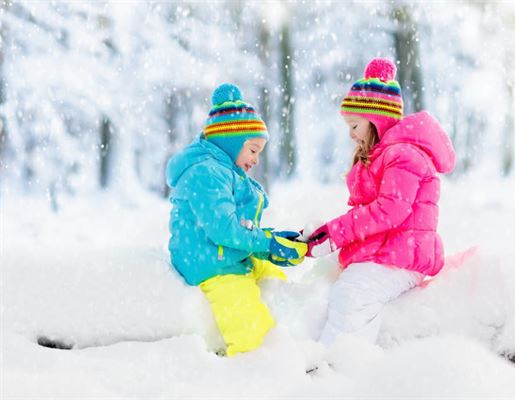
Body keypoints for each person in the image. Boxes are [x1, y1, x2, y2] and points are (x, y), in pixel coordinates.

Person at [305, 58, 456, 345]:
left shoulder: (404, 156)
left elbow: (389, 211)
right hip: (390, 251)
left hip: (404, 257)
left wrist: (336, 234)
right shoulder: (383, 156)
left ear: (376, 120)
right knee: (337, 286)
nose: (350, 134)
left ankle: (338, 365)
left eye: (354, 125)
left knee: (354, 292)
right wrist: (323, 233)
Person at [166, 83, 307, 356]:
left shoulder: (224, 171)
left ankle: (297, 341)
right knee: (250, 328)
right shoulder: (206, 174)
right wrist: (266, 244)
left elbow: (236, 227)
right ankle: (255, 363)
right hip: (211, 263)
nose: (255, 160)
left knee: (277, 281)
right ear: (230, 143)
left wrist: (272, 240)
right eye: (253, 150)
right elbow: (223, 229)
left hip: (228, 253)